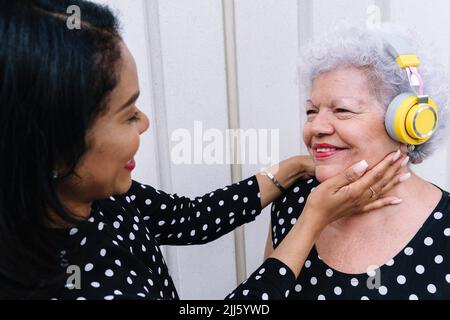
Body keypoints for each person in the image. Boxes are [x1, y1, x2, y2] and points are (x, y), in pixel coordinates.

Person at [0, 1, 406, 300]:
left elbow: (189, 218)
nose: (144, 123)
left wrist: (290, 171)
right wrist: (310, 222)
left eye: (343, 110)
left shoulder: (100, 194)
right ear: (54, 149)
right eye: (127, 115)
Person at [264, 24, 450, 300]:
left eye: (342, 110)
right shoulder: (294, 202)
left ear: (409, 123)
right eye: (311, 111)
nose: (316, 127)